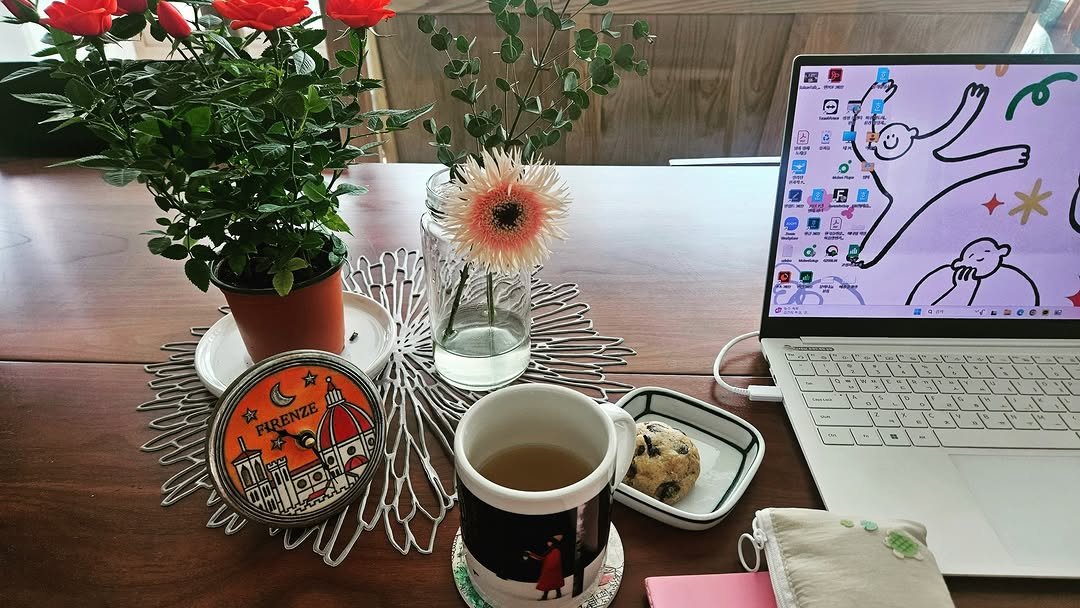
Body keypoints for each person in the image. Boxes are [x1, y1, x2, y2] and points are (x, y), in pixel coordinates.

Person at [523, 535, 565, 600]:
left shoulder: (556, 550)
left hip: (553, 571)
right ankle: (547, 596)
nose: (548, 543)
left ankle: (555, 594)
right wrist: (531, 554)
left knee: (554, 583)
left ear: (553, 543)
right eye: (548, 542)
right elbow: (541, 558)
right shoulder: (548, 551)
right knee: (549, 583)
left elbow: (557, 560)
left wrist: (551, 568)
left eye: (549, 542)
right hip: (548, 571)